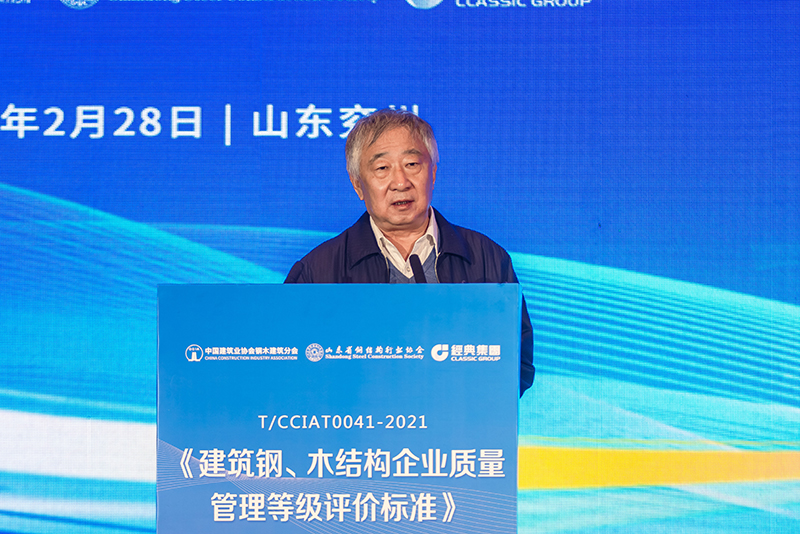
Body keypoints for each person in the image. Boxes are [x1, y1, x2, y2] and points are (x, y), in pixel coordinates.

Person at [285, 109, 534, 396]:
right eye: (382, 168)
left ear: (433, 173)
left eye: (412, 164)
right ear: (358, 185)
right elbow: (291, 371)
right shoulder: (317, 271)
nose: (400, 182)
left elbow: (518, 366)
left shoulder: (486, 257)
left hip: (456, 420)